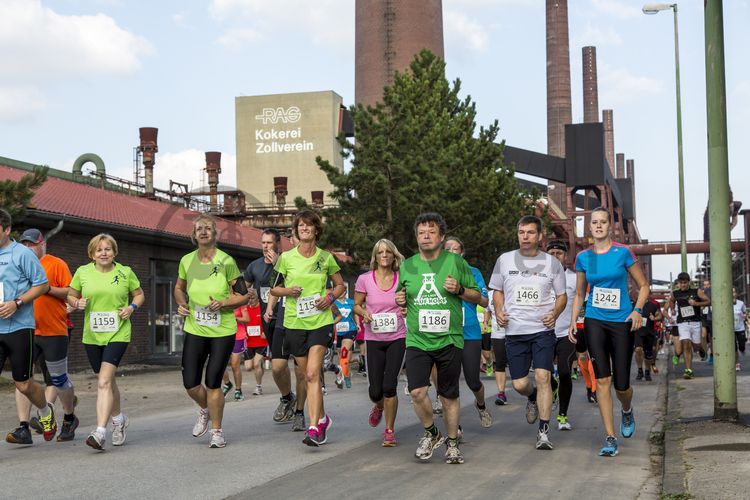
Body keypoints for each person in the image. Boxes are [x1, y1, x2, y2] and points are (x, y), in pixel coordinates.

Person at [396, 212, 481, 465]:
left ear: (441, 237)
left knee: (448, 396)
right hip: (418, 339)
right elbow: (403, 297)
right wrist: (399, 301)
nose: (425, 236)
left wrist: (461, 290)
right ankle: (432, 433)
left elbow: (479, 297)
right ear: (416, 237)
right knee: (417, 392)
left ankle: (453, 444)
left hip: (449, 338)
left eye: (431, 232)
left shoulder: (455, 262)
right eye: (421, 232)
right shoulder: (407, 265)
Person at [567, 207, 650, 457]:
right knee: (602, 379)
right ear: (589, 227)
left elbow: (644, 286)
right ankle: (610, 437)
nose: (599, 226)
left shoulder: (622, 253)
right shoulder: (584, 257)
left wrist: (637, 311)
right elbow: (580, 293)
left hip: (622, 320)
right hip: (595, 320)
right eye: (595, 222)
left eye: (604, 222)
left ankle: (626, 409)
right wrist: (574, 320)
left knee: (622, 385)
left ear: (610, 226)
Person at [489, 216, 567, 450]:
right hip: (515, 331)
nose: (525, 236)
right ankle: (532, 397)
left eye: (530, 232)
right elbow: (497, 291)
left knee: (543, 376)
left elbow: (562, 296)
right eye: (521, 232)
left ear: (540, 236)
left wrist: (554, 313)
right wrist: (500, 310)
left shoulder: (552, 263)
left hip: (542, 330)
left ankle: (543, 431)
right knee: (521, 384)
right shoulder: (504, 260)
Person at [270, 210, 346, 447]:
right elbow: (274, 289)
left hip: (320, 322)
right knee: (305, 375)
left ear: (316, 230)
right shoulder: (286, 258)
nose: (304, 228)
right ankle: (322, 418)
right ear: (296, 230)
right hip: (294, 323)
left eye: (308, 225)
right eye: (300, 225)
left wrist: (330, 298)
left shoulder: (326, 258)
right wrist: (288, 291)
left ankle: (314, 429)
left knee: (313, 374)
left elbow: (340, 285)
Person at [174, 215, 248, 449]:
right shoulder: (186, 260)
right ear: (194, 235)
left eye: (208, 228)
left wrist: (224, 303)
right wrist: (181, 302)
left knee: (214, 381)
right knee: (190, 383)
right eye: (199, 229)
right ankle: (205, 409)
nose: (203, 232)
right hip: (195, 328)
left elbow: (244, 295)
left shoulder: (226, 261)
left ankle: (217, 431)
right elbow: (178, 287)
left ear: (215, 233)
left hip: (222, 330)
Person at [68, 233, 144, 450]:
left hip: (118, 333)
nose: (103, 253)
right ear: (92, 254)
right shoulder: (83, 272)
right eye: (99, 249)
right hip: (92, 335)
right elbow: (71, 294)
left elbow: (139, 295)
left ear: (114, 252)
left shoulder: (125, 272)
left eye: (107, 249)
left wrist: (131, 307)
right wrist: (76, 302)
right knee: (108, 381)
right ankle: (119, 419)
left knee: (103, 381)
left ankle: (100, 432)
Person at [14, 228, 79, 443]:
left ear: (42, 244)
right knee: (21, 378)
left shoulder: (56, 263)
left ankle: (69, 418)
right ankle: (23, 427)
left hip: (54, 330)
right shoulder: (18, 265)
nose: (29, 248)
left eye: (32, 244)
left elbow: (70, 292)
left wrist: (45, 287)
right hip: (26, 330)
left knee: (59, 380)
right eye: (25, 244)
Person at [0, 209, 56, 445]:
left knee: (22, 383)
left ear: (7, 230)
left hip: (19, 327)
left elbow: (42, 285)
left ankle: (45, 411)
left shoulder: (22, 254)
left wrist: (17, 302)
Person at [244, 229, 305, 425]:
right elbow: (241, 287)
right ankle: (287, 397)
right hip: (271, 321)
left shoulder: (287, 261)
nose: (265, 246)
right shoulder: (255, 266)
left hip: (294, 319)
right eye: (263, 243)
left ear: (278, 244)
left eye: (269, 243)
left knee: (300, 369)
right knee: (278, 368)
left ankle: (300, 412)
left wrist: (279, 262)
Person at [354, 239, 407, 447]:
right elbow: (356, 305)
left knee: (389, 386)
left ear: (394, 256)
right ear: (375, 256)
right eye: (380, 252)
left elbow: (409, 303)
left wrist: (405, 309)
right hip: (373, 338)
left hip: (397, 337)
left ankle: (389, 431)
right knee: (375, 391)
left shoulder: (402, 278)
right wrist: (364, 313)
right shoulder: (364, 279)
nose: (384, 255)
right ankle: (379, 406)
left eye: (388, 252)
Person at [443, 236, 492, 429]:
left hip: (470, 332)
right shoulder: (436, 273)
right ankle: (456, 428)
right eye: (448, 249)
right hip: (446, 333)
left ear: (462, 253)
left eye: (456, 249)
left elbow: (484, 301)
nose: (452, 252)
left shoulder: (473, 272)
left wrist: (460, 290)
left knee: (473, 380)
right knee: (449, 383)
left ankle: (481, 405)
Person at [545, 239, 577, 431]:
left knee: (565, 372)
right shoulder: (537, 277)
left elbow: (582, 299)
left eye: (559, 253)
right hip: (544, 332)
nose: (555, 256)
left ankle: (563, 415)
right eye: (552, 253)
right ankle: (552, 388)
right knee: (545, 374)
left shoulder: (574, 278)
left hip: (566, 332)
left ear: (566, 257)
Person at [666, 272, 710, 379]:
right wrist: (672, 308)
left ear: (688, 282)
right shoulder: (675, 293)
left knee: (696, 346)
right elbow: (671, 301)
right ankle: (688, 370)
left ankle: (700, 349)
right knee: (686, 344)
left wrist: (697, 304)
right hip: (683, 323)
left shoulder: (696, 291)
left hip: (695, 322)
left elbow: (708, 301)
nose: (683, 285)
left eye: (685, 283)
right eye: (681, 283)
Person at [221, 295, 250, 401]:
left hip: (238, 336)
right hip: (223, 335)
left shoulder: (239, 299)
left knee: (234, 365)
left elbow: (247, 319)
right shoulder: (221, 298)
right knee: (219, 363)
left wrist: (235, 318)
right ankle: (227, 383)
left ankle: (238, 390)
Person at [486, 293, 508, 405]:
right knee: (500, 363)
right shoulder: (490, 294)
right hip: (497, 334)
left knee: (519, 364)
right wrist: (485, 322)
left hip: (515, 333)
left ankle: (530, 392)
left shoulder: (512, 289)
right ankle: (501, 394)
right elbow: (488, 310)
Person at [332, 287, 357, 389]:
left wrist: (358, 324)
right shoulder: (333, 303)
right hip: (338, 332)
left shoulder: (351, 302)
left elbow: (355, 314)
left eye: (343, 291)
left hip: (350, 330)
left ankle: (345, 377)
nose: (341, 293)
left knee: (344, 353)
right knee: (342, 357)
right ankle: (343, 375)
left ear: (346, 292)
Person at [633, 296, 662, 382]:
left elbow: (659, 315)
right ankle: (640, 370)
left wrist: (655, 318)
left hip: (649, 333)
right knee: (638, 349)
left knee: (648, 354)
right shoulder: (634, 305)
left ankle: (647, 372)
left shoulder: (652, 306)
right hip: (637, 332)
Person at [244, 298, 268, 395]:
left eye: (253, 298)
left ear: (258, 299)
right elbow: (241, 323)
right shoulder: (245, 309)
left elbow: (268, 321)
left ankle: (258, 387)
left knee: (256, 364)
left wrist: (266, 332)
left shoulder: (262, 309)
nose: (250, 301)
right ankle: (260, 367)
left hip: (261, 341)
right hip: (249, 342)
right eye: (249, 299)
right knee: (248, 367)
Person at [732, 287, 747, 371]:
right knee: (734, 347)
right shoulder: (726, 303)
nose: (733, 294)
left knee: (741, 346)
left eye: (734, 292)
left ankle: (742, 349)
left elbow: (745, 312)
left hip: (740, 328)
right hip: (731, 330)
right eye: (731, 292)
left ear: (736, 294)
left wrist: (744, 316)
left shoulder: (741, 303)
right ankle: (737, 363)